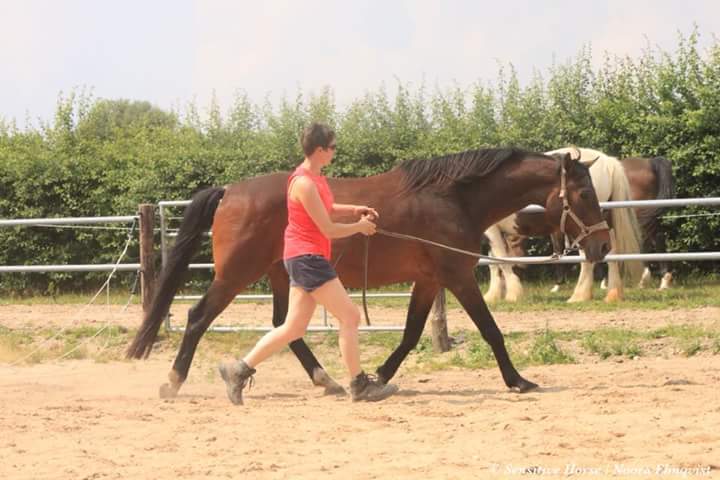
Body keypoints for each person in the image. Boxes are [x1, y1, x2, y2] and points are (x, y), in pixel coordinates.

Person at [218, 122, 399, 405]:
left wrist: (354, 209)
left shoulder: (315, 179)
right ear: (319, 150)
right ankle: (359, 384)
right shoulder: (303, 183)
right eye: (332, 147)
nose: (335, 152)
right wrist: (359, 227)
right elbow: (327, 228)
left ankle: (237, 370)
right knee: (350, 316)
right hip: (308, 258)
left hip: (305, 257)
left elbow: (325, 207)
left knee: (293, 328)